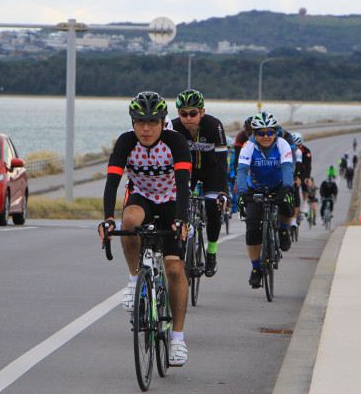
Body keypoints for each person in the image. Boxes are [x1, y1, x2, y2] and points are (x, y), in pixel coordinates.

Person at [98, 91, 192, 366]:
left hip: (172, 200)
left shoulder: (175, 142)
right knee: (128, 221)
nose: (146, 128)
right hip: (142, 197)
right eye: (140, 122)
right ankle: (133, 280)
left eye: (152, 121)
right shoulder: (126, 142)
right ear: (132, 122)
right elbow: (112, 182)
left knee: (174, 268)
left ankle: (177, 339)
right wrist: (107, 218)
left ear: (163, 122)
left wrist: (181, 220)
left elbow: (184, 183)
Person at [172, 89, 229, 277]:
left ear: (202, 113)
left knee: (213, 209)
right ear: (178, 113)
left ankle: (211, 252)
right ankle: (181, 246)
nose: (188, 118)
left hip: (211, 170)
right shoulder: (173, 128)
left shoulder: (214, 126)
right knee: (179, 206)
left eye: (193, 113)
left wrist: (223, 190)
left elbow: (222, 161)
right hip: (188, 172)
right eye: (184, 114)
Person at [235, 111, 295, 289]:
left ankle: (284, 230)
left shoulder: (282, 144)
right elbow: (242, 169)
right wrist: (242, 193)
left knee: (287, 207)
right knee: (252, 225)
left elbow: (287, 166)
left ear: (276, 132)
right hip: (256, 187)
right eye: (261, 133)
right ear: (254, 134)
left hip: (278, 184)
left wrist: (287, 188)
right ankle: (256, 268)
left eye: (270, 132)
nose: (266, 136)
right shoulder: (248, 146)